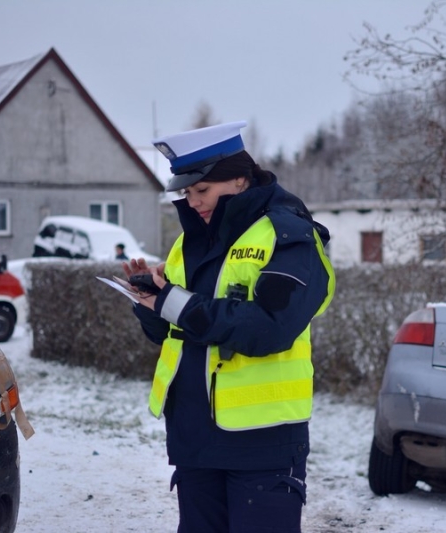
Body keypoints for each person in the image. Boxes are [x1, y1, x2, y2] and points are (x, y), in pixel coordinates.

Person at [122, 121, 335, 533]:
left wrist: (174, 303)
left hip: (263, 444)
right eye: (187, 193)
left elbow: (270, 329)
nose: (194, 201)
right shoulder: (190, 242)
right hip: (194, 439)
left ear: (240, 177)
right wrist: (151, 305)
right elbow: (180, 333)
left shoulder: (289, 235)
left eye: (201, 190)